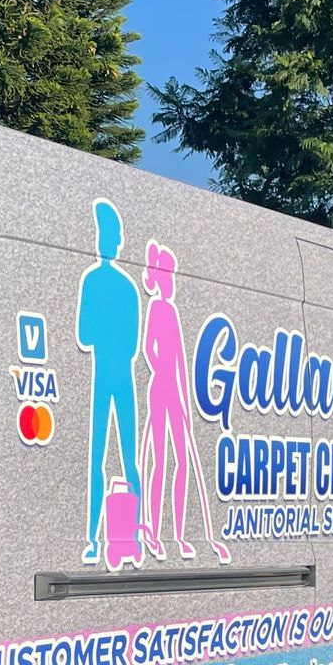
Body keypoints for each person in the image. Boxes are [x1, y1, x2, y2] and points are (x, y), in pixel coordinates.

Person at [138, 241, 229, 563]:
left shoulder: (172, 310)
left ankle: (178, 533)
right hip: (160, 389)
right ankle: (151, 529)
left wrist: (186, 404)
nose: (172, 281)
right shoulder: (157, 308)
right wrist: (163, 374)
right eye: (170, 276)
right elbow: (150, 349)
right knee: (159, 460)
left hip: (176, 393)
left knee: (181, 461)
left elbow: (181, 360)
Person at [75, 200, 142, 565]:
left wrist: (102, 331)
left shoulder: (94, 281)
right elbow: (131, 343)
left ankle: (94, 540)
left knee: (100, 458)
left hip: (104, 374)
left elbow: (85, 335)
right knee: (127, 459)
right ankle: (134, 535)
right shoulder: (126, 287)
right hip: (120, 375)